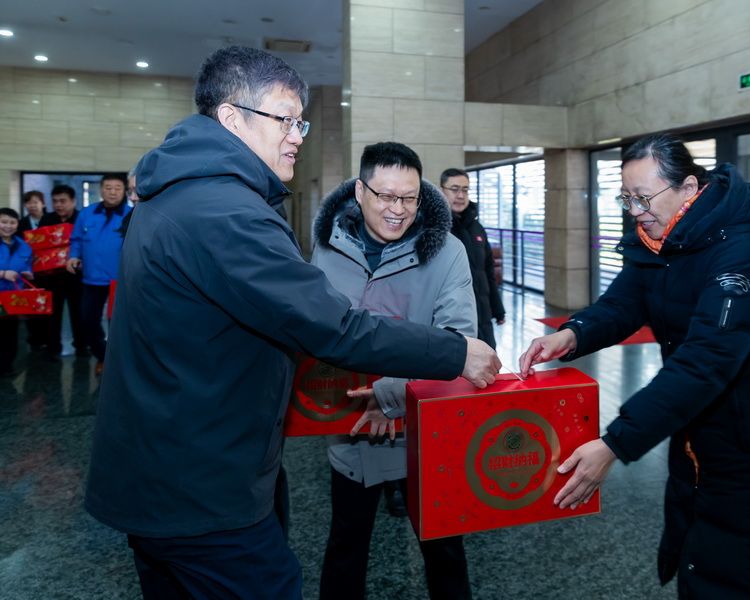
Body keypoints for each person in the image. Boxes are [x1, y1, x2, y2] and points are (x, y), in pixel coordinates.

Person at [83, 46, 499, 600]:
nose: (298, 135)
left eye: (301, 122)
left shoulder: (183, 193)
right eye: (285, 119)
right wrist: (456, 353)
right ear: (232, 118)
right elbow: (331, 325)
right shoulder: (225, 211)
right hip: (201, 485)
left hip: (172, 467)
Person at [519, 133, 750, 598]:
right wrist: (573, 333)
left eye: (643, 197)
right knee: (704, 558)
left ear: (689, 187)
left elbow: (705, 360)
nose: (635, 211)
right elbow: (623, 303)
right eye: (626, 198)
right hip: (701, 432)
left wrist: (615, 442)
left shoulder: (740, 254)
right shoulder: (659, 240)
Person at [316, 143, 476, 600]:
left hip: (426, 429)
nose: (397, 209)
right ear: (360, 191)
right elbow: (318, 331)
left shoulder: (447, 251)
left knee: (444, 551)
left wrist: (390, 394)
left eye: (408, 198)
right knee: (346, 547)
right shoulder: (328, 247)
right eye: (386, 196)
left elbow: (458, 340)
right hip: (350, 428)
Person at [66, 173, 131, 375]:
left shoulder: (133, 214)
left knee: (118, 325)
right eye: (108, 187)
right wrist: (73, 256)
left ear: (125, 191)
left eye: (117, 188)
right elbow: (76, 239)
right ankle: (102, 356)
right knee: (87, 321)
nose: (112, 192)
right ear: (101, 190)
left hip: (120, 281)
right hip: (92, 278)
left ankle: (118, 362)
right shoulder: (87, 213)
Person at [440, 168, 505, 349]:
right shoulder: (435, 229)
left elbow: (488, 272)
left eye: (465, 189)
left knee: (489, 362)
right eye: (454, 189)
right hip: (452, 320)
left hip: (482, 316)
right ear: (442, 190)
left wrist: (497, 308)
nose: (460, 195)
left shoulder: (477, 228)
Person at [38, 185, 87, 356]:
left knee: (78, 312)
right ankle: (53, 348)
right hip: (52, 276)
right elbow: (39, 248)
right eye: (55, 201)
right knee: (52, 314)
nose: (58, 205)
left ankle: (81, 346)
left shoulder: (82, 218)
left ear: (73, 201)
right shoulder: (46, 219)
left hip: (76, 275)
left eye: (63, 201)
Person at [0, 208, 34, 377]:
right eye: (4, 222)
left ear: (17, 224)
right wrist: (3, 274)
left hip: (13, 298)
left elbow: (28, 266)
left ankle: (6, 366)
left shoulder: (24, 247)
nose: (8, 226)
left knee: (10, 332)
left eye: (12, 222)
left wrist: (28, 273)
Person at [18, 191, 48, 350]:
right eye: (29, 202)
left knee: (47, 306)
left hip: (49, 271)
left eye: (36, 202)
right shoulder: (21, 224)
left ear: (43, 203)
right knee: (31, 306)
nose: (32, 205)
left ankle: (48, 338)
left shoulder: (50, 220)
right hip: (28, 272)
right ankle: (34, 339)